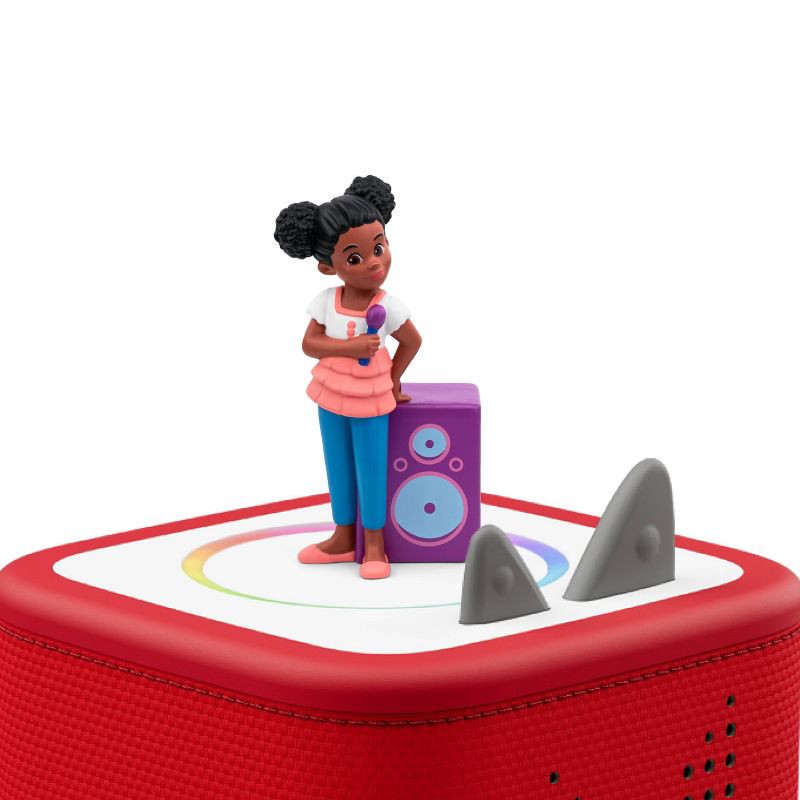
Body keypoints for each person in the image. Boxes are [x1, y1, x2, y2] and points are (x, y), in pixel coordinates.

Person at [274, 176, 422, 579]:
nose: (374, 262)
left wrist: (393, 380)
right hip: (330, 392)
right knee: (338, 465)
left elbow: (412, 342)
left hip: (371, 397)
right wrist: (351, 347)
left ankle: (374, 544)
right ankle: (342, 537)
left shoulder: (388, 306)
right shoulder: (328, 301)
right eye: (355, 258)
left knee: (372, 468)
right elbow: (310, 343)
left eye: (380, 247)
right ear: (328, 267)